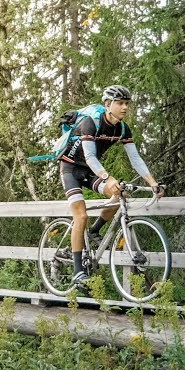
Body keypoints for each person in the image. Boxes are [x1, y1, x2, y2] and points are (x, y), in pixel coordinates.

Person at [57, 84, 166, 287]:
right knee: (80, 216)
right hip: (71, 169)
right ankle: (78, 272)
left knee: (120, 196)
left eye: (127, 103)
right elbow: (89, 156)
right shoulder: (92, 123)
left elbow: (135, 159)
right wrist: (107, 177)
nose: (125, 107)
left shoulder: (122, 128)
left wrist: (152, 183)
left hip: (90, 171)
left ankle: (94, 231)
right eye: (120, 103)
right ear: (108, 104)